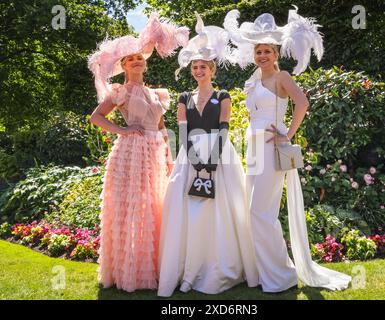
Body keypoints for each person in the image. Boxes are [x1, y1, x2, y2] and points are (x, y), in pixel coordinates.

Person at [224, 7, 352, 292]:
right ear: (254, 55)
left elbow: (302, 103)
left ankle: (281, 276)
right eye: (258, 52)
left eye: (267, 51)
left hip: (272, 149)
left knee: (261, 212)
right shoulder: (254, 80)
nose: (262, 56)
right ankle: (262, 273)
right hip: (254, 148)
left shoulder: (282, 78)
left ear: (276, 54)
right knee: (251, 209)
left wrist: (288, 133)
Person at [158, 13, 258, 297]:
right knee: (189, 214)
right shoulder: (183, 98)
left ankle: (217, 268)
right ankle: (188, 271)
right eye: (195, 67)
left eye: (203, 67)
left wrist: (211, 162)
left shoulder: (223, 95)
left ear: (212, 70)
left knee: (220, 213)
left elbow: (224, 127)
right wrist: (194, 160)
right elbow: (180, 131)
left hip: (220, 157)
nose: (198, 71)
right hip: (189, 159)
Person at [87, 14, 189, 292]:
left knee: (156, 207)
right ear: (123, 65)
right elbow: (96, 117)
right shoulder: (119, 91)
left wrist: (169, 155)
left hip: (156, 153)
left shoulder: (157, 94)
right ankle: (126, 272)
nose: (137, 62)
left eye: (139, 58)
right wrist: (123, 130)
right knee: (132, 210)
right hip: (130, 154)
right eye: (131, 59)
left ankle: (156, 268)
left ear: (144, 63)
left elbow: (161, 125)